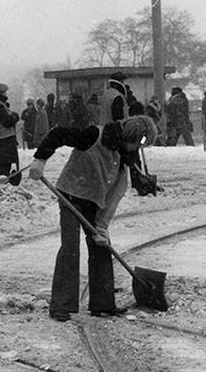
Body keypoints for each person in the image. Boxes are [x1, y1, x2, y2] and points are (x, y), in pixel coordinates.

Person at [28, 115, 158, 322]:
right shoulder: (93, 136)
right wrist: (39, 160)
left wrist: (102, 228)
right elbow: (58, 134)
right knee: (70, 248)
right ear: (131, 135)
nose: (138, 149)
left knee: (102, 248)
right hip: (70, 193)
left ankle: (103, 304)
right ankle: (61, 305)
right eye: (139, 143)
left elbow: (114, 195)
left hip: (94, 203)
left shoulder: (124, 157)